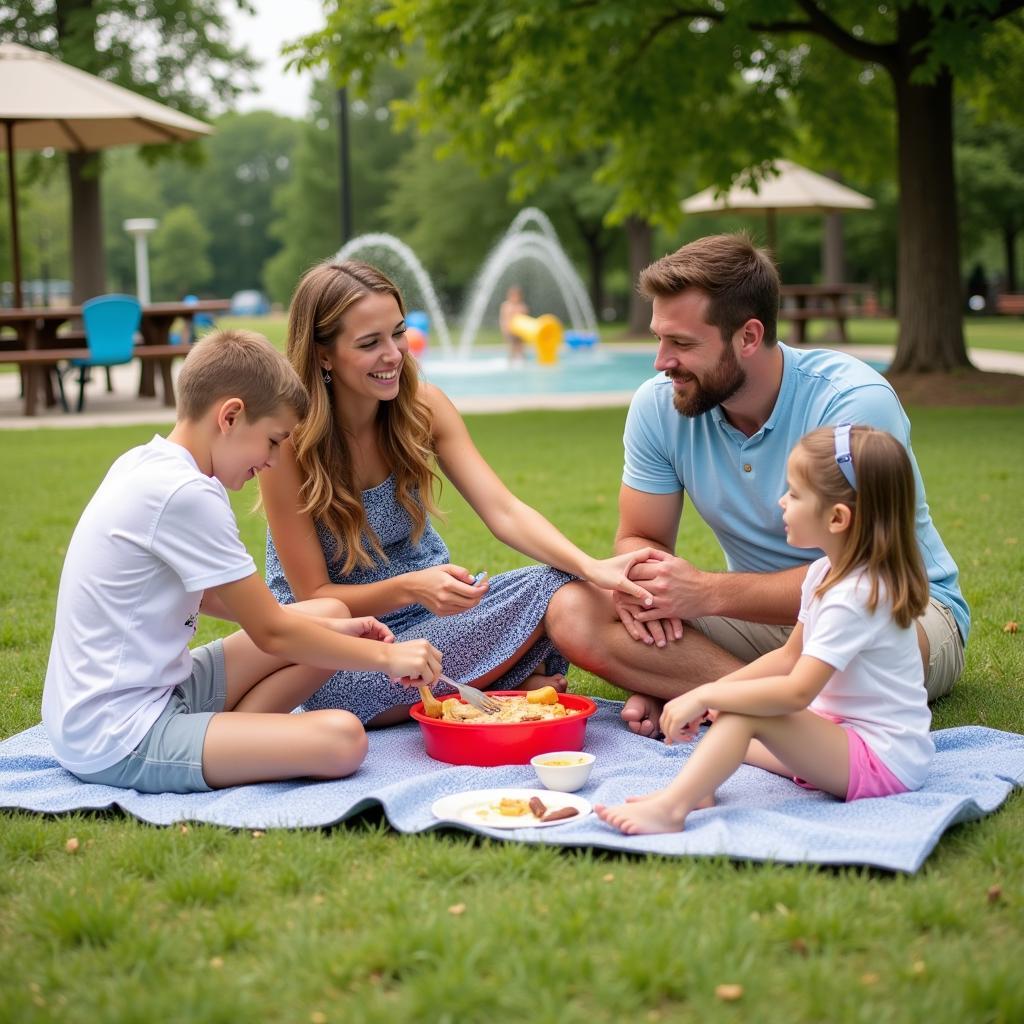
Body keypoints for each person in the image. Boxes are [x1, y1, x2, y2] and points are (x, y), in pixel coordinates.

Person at [544, 233, 969, 738]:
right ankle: (759, 708)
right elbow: (641, 537)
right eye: (660, 337)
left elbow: (861, 571)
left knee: (861, 658)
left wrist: (703, 595)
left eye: (681, 343)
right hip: (757, 619)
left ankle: (709, 698)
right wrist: (648, 591)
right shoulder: (660, 404)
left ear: (748, 336)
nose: (661, 361)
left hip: (893, 610)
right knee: (574, 610)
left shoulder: (851, 405)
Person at [41, 330, 443, 794]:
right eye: (272, 441)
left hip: (159, 689)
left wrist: (330, 632)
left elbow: (209, 596)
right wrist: (387, 657)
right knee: (342, 739)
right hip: (116, 732)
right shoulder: (185, 495)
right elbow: (271, 633)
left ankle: (232, 739)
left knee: (331, 614)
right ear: (230, 416)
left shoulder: (150, 463)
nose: (272, 461)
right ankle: (229, 741)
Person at [259, 260, 655, 728]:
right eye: (370, 343)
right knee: (553, 600)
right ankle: (509, 680)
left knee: (570, 587)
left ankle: (690, 693)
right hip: (343, 652)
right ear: (323, 355)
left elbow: (503, 510)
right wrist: (414, 587)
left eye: (398, 334)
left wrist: (589, 566)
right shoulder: (288, 442)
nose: (394, 355)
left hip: (442, 622)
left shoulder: (423, 408)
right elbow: (314, 597)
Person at [596, 425, 934, 834]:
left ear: (837, 517)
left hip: (882, 761)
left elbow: (796, 691)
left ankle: (672, 808)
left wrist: (709, 693)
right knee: (732, 724)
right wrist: (705, 698)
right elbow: (787, 657)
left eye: (794, 494)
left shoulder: (856, 596)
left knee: (742, 714)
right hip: (841, 735)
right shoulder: (824, 573)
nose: (782, 502)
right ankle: (697, 789)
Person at [499, 285, 529, 363]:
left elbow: (525, 318)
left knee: (520, 347)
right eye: (513, 295)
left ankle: (522, 361)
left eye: (517, 295)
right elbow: (504, 319)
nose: (515, 297)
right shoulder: (506, 305)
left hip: (520, 330)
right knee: (511, 347)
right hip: (510, 330)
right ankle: (510, 362)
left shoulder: (522, 306)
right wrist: (505, 330)